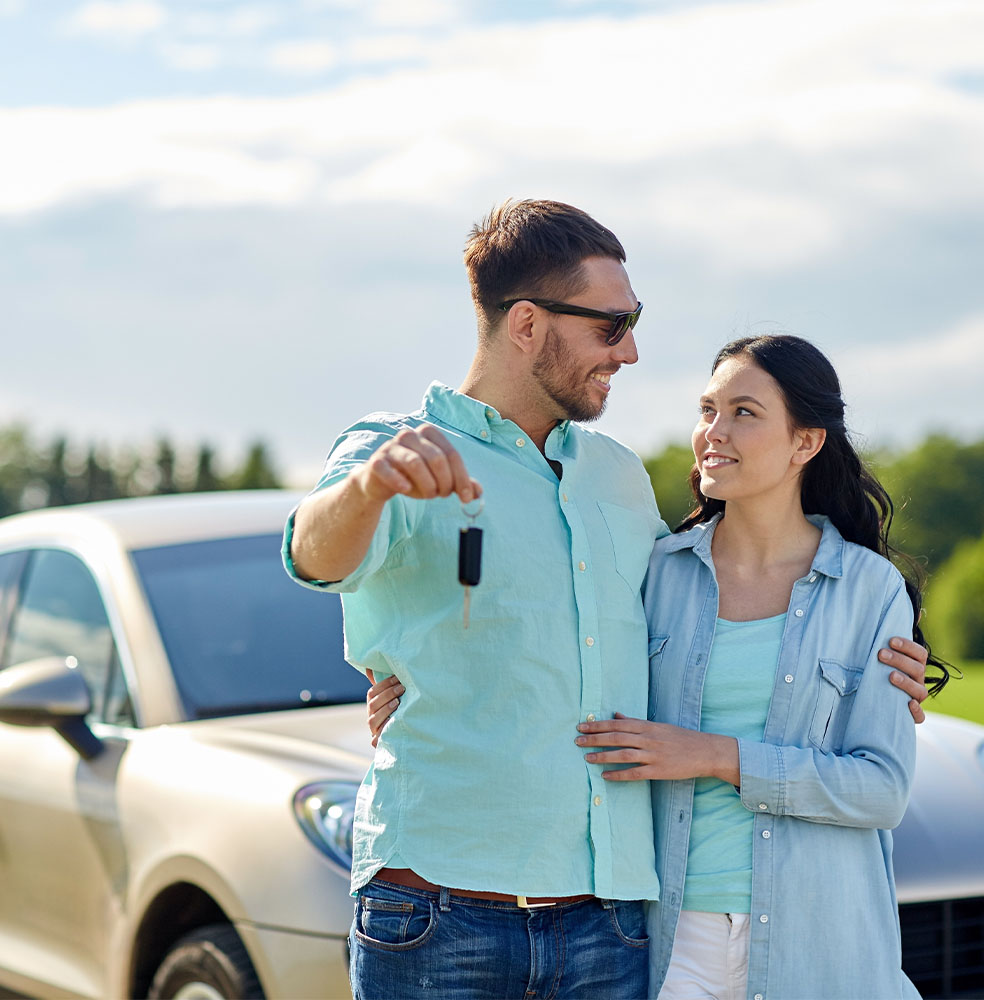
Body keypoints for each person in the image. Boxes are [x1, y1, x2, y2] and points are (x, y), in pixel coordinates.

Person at [286, 199, 930, 1000]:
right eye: (611, 324)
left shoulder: (619, 478)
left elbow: (674, 630)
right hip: (439, 911)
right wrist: (369, 489)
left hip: (611, 924)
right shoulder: (396, 447)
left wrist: (888, 668)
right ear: (527, 324)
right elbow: (313, 555)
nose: (630, 351)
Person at [574, 334, 946, 999]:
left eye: (744, 412)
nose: (713, 432)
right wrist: (408, 684)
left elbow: (882, 789)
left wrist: (717, 756)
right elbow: (563, 664)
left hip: (823, 941)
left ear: (806, 442)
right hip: (671, 943)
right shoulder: (656, 573)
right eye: (707, 409)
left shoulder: (869, 590)